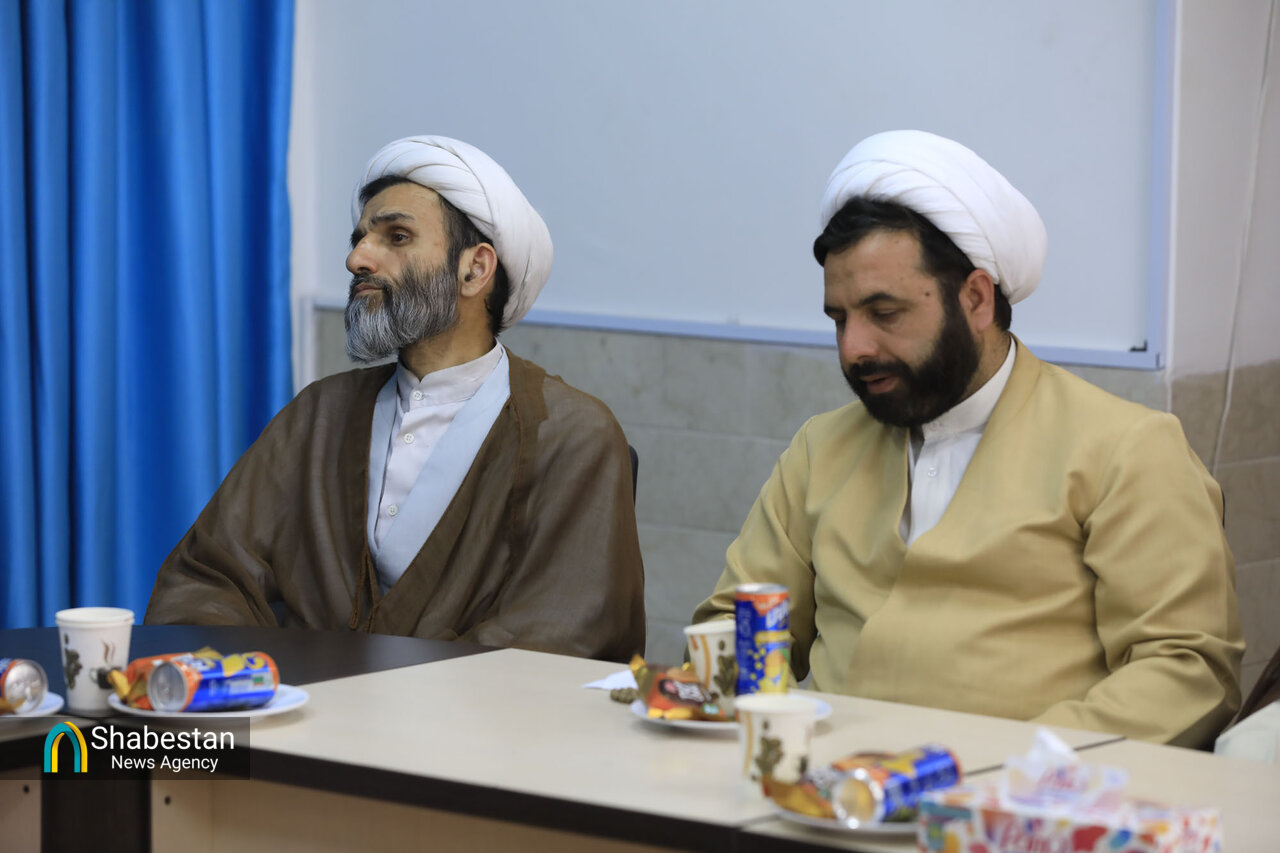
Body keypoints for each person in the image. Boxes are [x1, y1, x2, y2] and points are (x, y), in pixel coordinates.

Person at [692, 130, 1243, 746]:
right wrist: (741, 724)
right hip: (818, 785)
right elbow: (740, 622)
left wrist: (1014, 767)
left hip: (1012, 794)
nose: (854, 349)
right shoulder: (822, 449)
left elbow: (1187, 671)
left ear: (977, 299)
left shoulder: (1125, 450)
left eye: (885, 313)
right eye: (840, 319)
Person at [146, 135, 645, 662]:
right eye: (360, 239)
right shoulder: (319, 415)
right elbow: (208, 577)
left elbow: (560, 633)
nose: (356, 258)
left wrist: (384, 696)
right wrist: (247, 679)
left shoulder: (572, 435)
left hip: (469, 717)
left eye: (397, 236)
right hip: (300, 705)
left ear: (474, 270)